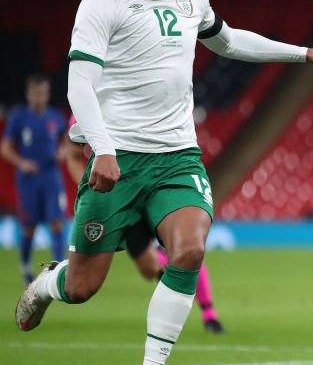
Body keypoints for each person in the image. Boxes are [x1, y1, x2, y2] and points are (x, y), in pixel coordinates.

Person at [15, 0, 313, 365]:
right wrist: (102, 148)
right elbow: (79, 82)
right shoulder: (101, 1)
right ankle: (48, 282)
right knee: (82, 288)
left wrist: (304, 53)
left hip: (176, 157)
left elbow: (231, 41)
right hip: (118, 158)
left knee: (189, 251)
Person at [65, 118, 225, 333]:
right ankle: (174, 289)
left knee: (186, 248)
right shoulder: (86, 103)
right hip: (121, 197)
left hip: (159, 186)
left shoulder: (151, 97)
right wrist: (94, 189)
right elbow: (74, 156)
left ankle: (208, 314)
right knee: (148, 268)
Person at [1, 74, 68, 285]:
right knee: (29, 226)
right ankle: (26, 266)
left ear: (47, 93)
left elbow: (67, 141)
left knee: (57, 222)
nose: (39, 96)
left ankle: (57, 268)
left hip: (51, 176)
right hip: (29, 179)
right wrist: (21, 163)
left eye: (43, 91)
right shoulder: (19, 117)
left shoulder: (55, 117)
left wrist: (63, 152)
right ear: (28, 93)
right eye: (35, 92)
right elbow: (5, 147)